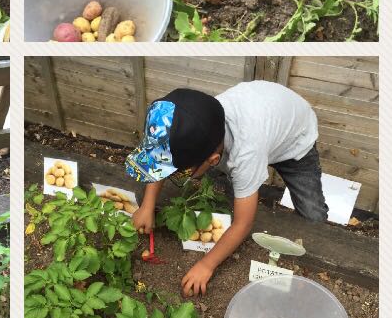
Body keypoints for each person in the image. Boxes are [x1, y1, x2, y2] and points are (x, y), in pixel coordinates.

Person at [127, 84, 327, 296]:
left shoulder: (245, 155)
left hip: (295, 141)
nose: (168, 174)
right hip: (264, 121)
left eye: (177, 171)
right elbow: (160, 156)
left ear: (213, 160)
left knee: (312, 213)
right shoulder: (198, 122)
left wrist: (206, 265)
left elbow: (244, 223)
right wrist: (148, 205)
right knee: (230, 189)